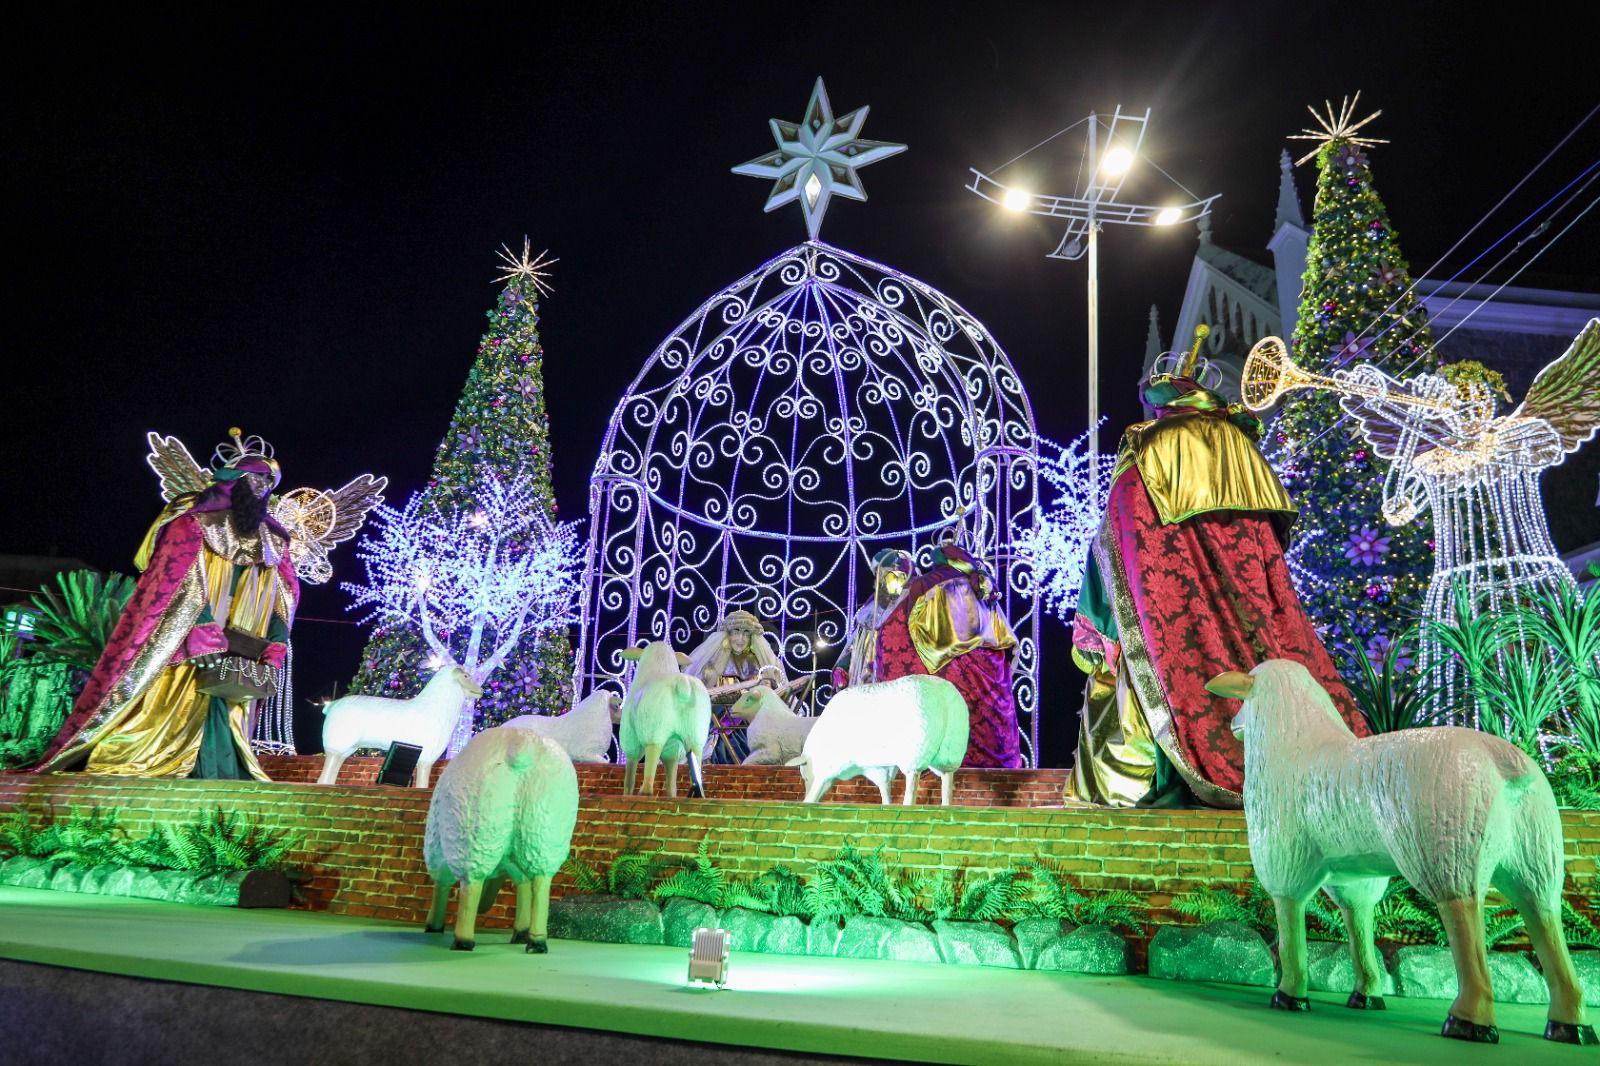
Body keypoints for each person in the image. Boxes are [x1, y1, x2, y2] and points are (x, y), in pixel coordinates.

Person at [1067, 328, 1369, 808]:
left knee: (1143, 682)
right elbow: (1267, 549)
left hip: (1167, 615)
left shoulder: (1147, 447)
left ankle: (1157, 784)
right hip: (1258, 612)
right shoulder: (1242, 445)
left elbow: (1118, 541)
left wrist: (1101, 612)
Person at [33, 430, 299, 780]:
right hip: (188, 637)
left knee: (226, 701)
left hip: (242, 642)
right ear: (234, 480)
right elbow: (174, 581)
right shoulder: (194, 522)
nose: (264, 486)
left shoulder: (273, 540)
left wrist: (277, 639)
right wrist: (201, 628)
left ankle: (223, 770)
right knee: (182, 699)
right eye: (257, 478)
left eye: (270, 481)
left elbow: (284, 593)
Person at [682, 610, 788, 763]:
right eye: (736, 632)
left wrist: (766, 684)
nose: (741, 638)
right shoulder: (714, 661)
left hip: (749, 716)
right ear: (728, 634)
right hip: (718, 711)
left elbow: (773, 687)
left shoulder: (758, 662)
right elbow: (700, 688)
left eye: (746, 633)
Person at [832, 549, 915, 689]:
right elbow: (856, 644)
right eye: (877, 573)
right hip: (865, 683)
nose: (880, 579)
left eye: (884, 573)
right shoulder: (870, 608)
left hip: (901, 683)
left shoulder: (913, 601)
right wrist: (842, 667)